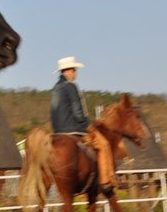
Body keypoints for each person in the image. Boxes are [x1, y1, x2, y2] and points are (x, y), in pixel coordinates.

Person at [50, 56, 117, 194]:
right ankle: (105, 182)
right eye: (73, 70)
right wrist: (89, 126)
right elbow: (78, 113)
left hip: (57, 131)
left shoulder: (55, 88)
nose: (75, 73)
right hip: (73, 129)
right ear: (67, 71)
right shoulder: (71, 86)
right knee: (103, 144)